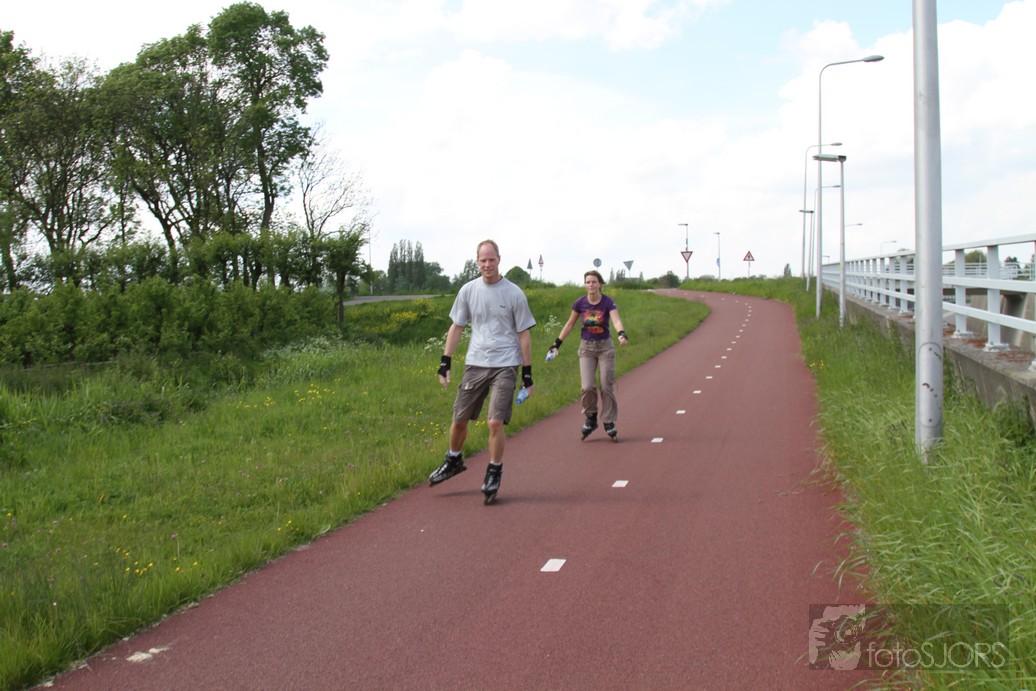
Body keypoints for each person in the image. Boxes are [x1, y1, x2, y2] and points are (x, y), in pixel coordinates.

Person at [429, 239, 537, 503]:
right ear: (477, 261)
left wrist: (527, 373)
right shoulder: (468, 291)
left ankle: (493, 472)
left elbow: (523, 334)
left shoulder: (514, 293)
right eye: (483, 260)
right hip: (476, 362)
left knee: (494, 422)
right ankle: (453, 460)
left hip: (505, 364)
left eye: (491, 259)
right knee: (459, 419)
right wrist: (445, 361)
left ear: (499, 259)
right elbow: (457, 327)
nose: (487, 264)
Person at [546, 270, 628, 441]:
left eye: (594, 282)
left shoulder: (608, 302)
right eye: (588, 282)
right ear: (585, 284)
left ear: (600, 284)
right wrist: (556, 344)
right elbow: (569, 324)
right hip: (586, 348)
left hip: (605, 347)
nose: (591, 285)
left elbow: (616, 320)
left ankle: (608, 421)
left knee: (606, 385)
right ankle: (591, 418)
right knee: (587, 386)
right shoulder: (580, 303)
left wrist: (621, 334)